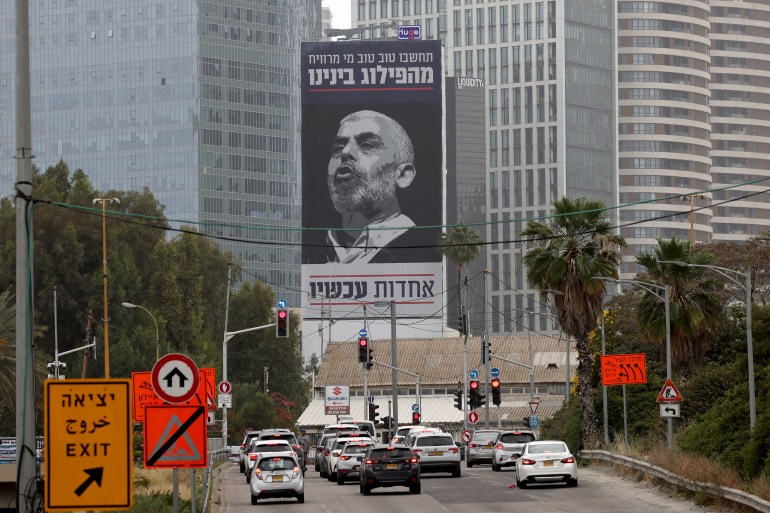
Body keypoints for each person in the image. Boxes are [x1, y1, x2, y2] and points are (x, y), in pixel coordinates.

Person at [309, 110, 434, 264]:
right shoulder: (313, 250)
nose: (345, 152)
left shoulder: (426, 248)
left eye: (367, 145)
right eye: (338, 148)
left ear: (403, 176)